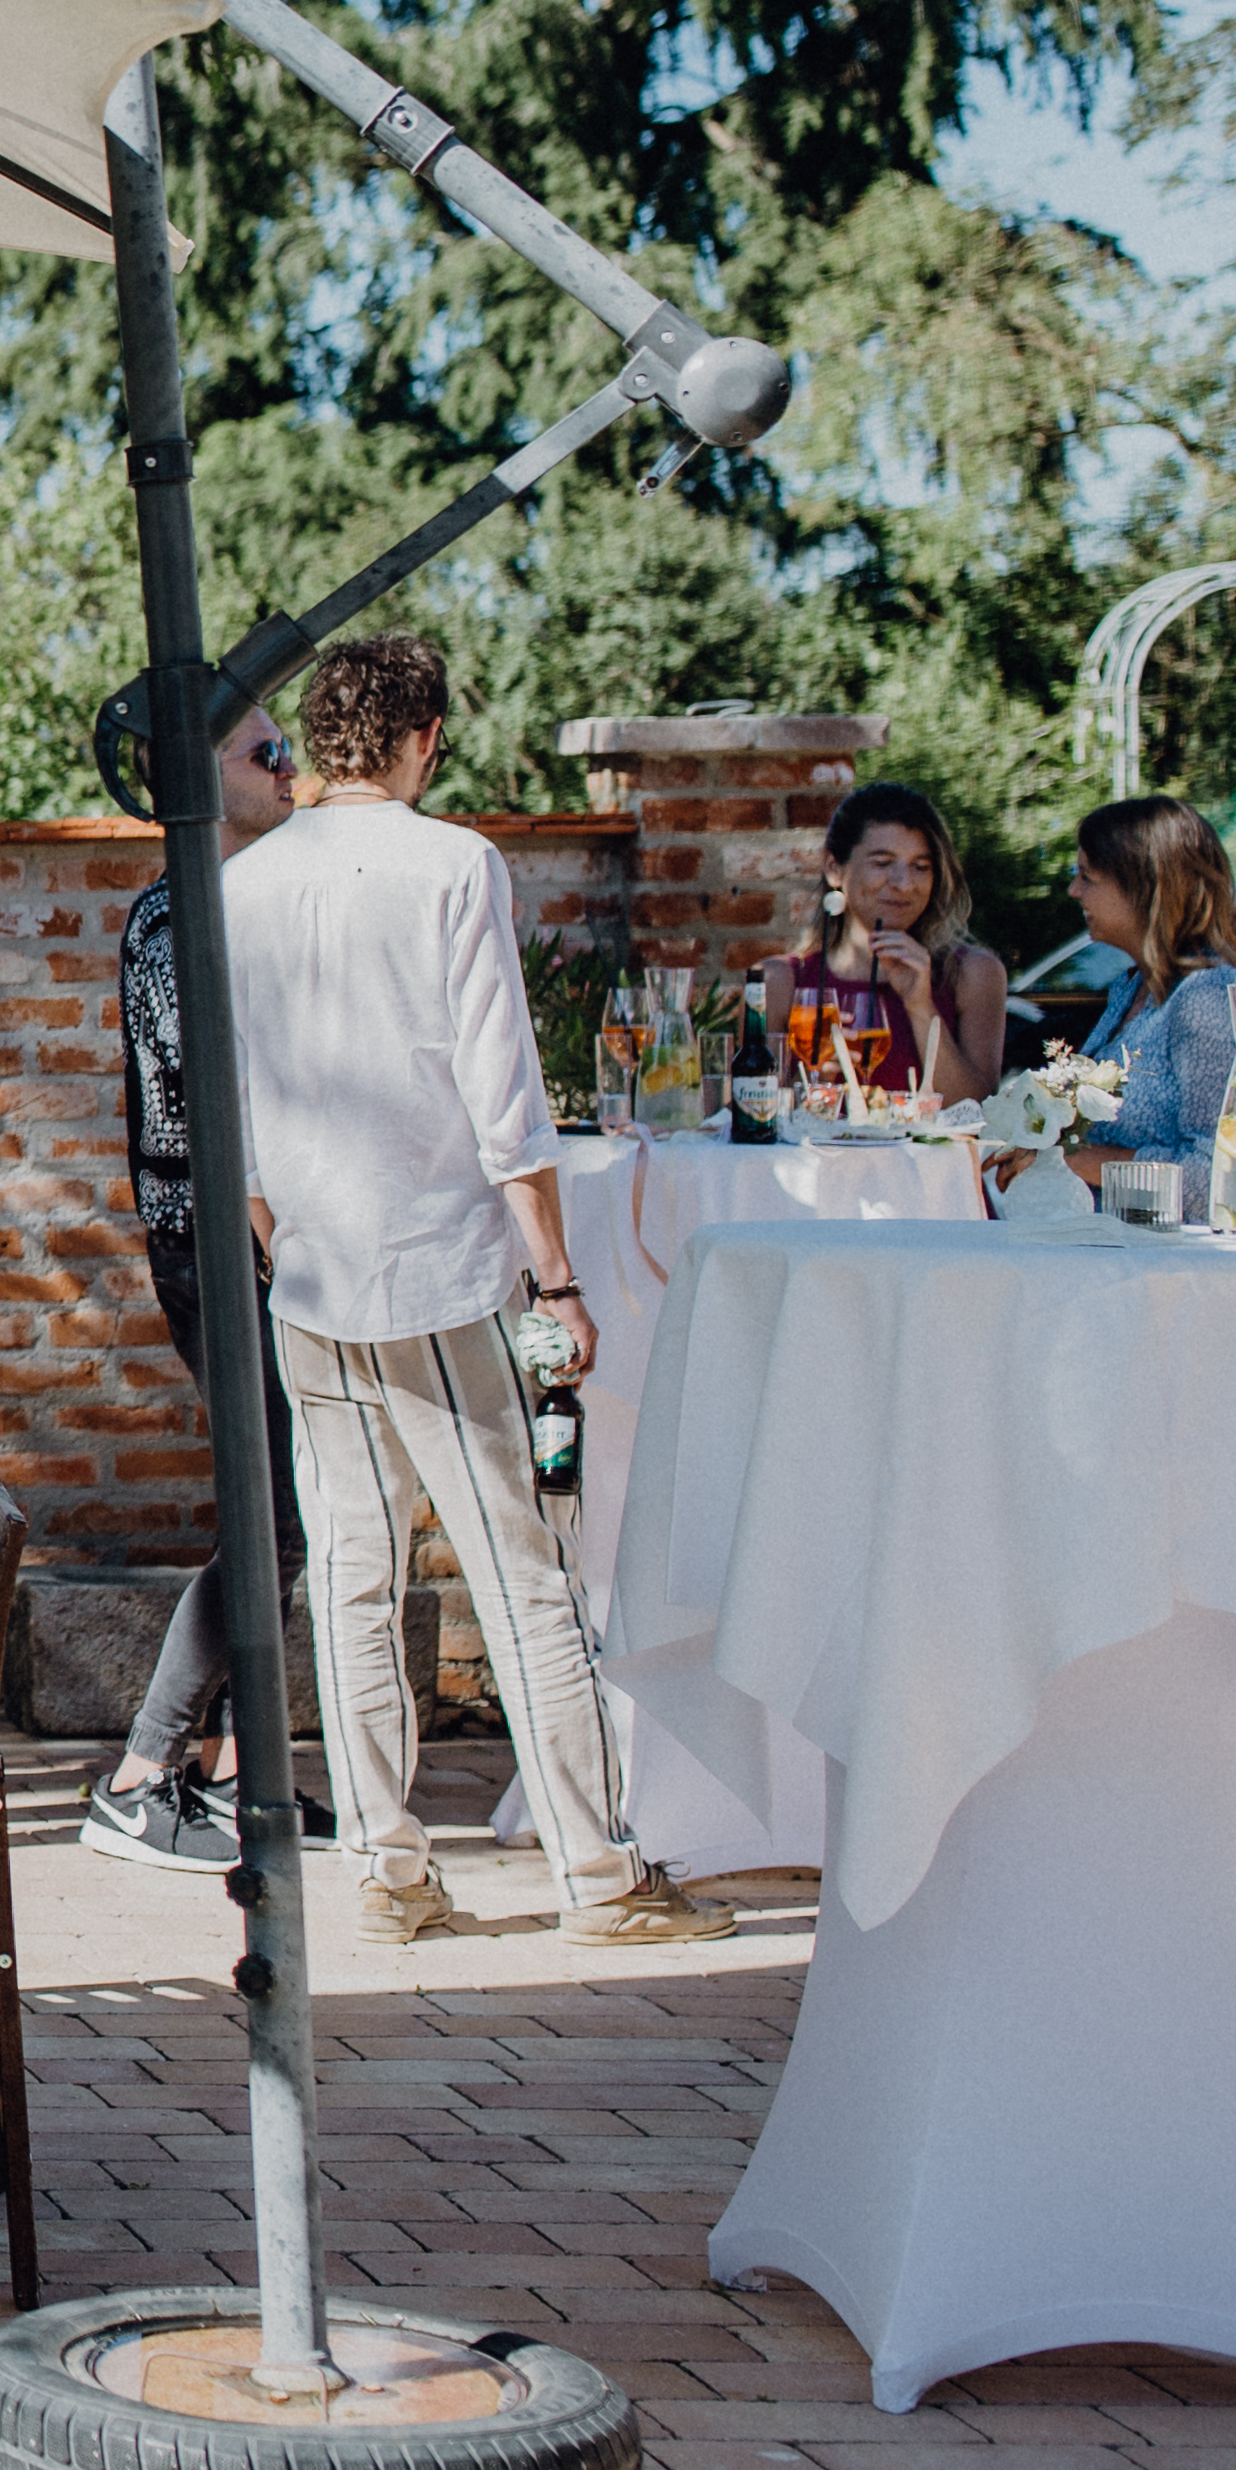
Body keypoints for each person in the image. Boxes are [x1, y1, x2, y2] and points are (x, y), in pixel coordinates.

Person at [225, 633, 727, 1949]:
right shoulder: (455, 863)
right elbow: (505, 1095)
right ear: (423, 738)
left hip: (314, 1271)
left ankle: (388, 1872)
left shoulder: (245, 880)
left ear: (318, 741)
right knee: (526, 1579)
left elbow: (231, 1105)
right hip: (437, 1261)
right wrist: (555, 1274)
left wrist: (278, 1233)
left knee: (351, 1576)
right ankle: (600, 1877)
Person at [77, 695, 326, 1874]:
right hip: (223, 1243)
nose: (289, 768)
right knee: (272, 1519)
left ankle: (235, 1774)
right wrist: (285, 1237)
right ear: (198, 769)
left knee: (284, 1513)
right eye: (263, 752)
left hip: (246, 1238)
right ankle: (140, 1771)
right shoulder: (183, 916)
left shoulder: (240, 904)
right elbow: (224, 1100)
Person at [746, 782, 1011, 1103]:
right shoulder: (779, 981)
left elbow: (976, 1112)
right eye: (882, 863)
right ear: (834, 868)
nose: (903, 883)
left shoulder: (972, 974)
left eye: (921, 867)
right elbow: (750, 1116)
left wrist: (921, 1007)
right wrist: (819, 1080)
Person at [1054, 794, 1236, 1197]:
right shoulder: (1133, 990)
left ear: (1144, 888)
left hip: (1171, 1257)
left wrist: (1078, 1159)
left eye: (1087, 877)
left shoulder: (1206, 998)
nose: (1073, 890)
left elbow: (1221, 1178)